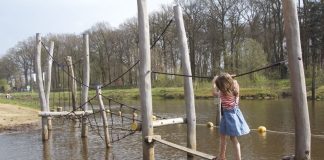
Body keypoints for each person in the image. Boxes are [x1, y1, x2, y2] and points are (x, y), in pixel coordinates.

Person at [212, 73, 250, 160]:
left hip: (227, 117)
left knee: (223, 138)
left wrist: (214, 81)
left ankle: (222, 157)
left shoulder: (221, 93)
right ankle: (229, 157)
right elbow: (235, 83)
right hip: (234, 116)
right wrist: (228, 77)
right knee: (234, 140)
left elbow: (213, 92)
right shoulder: (235, 91)